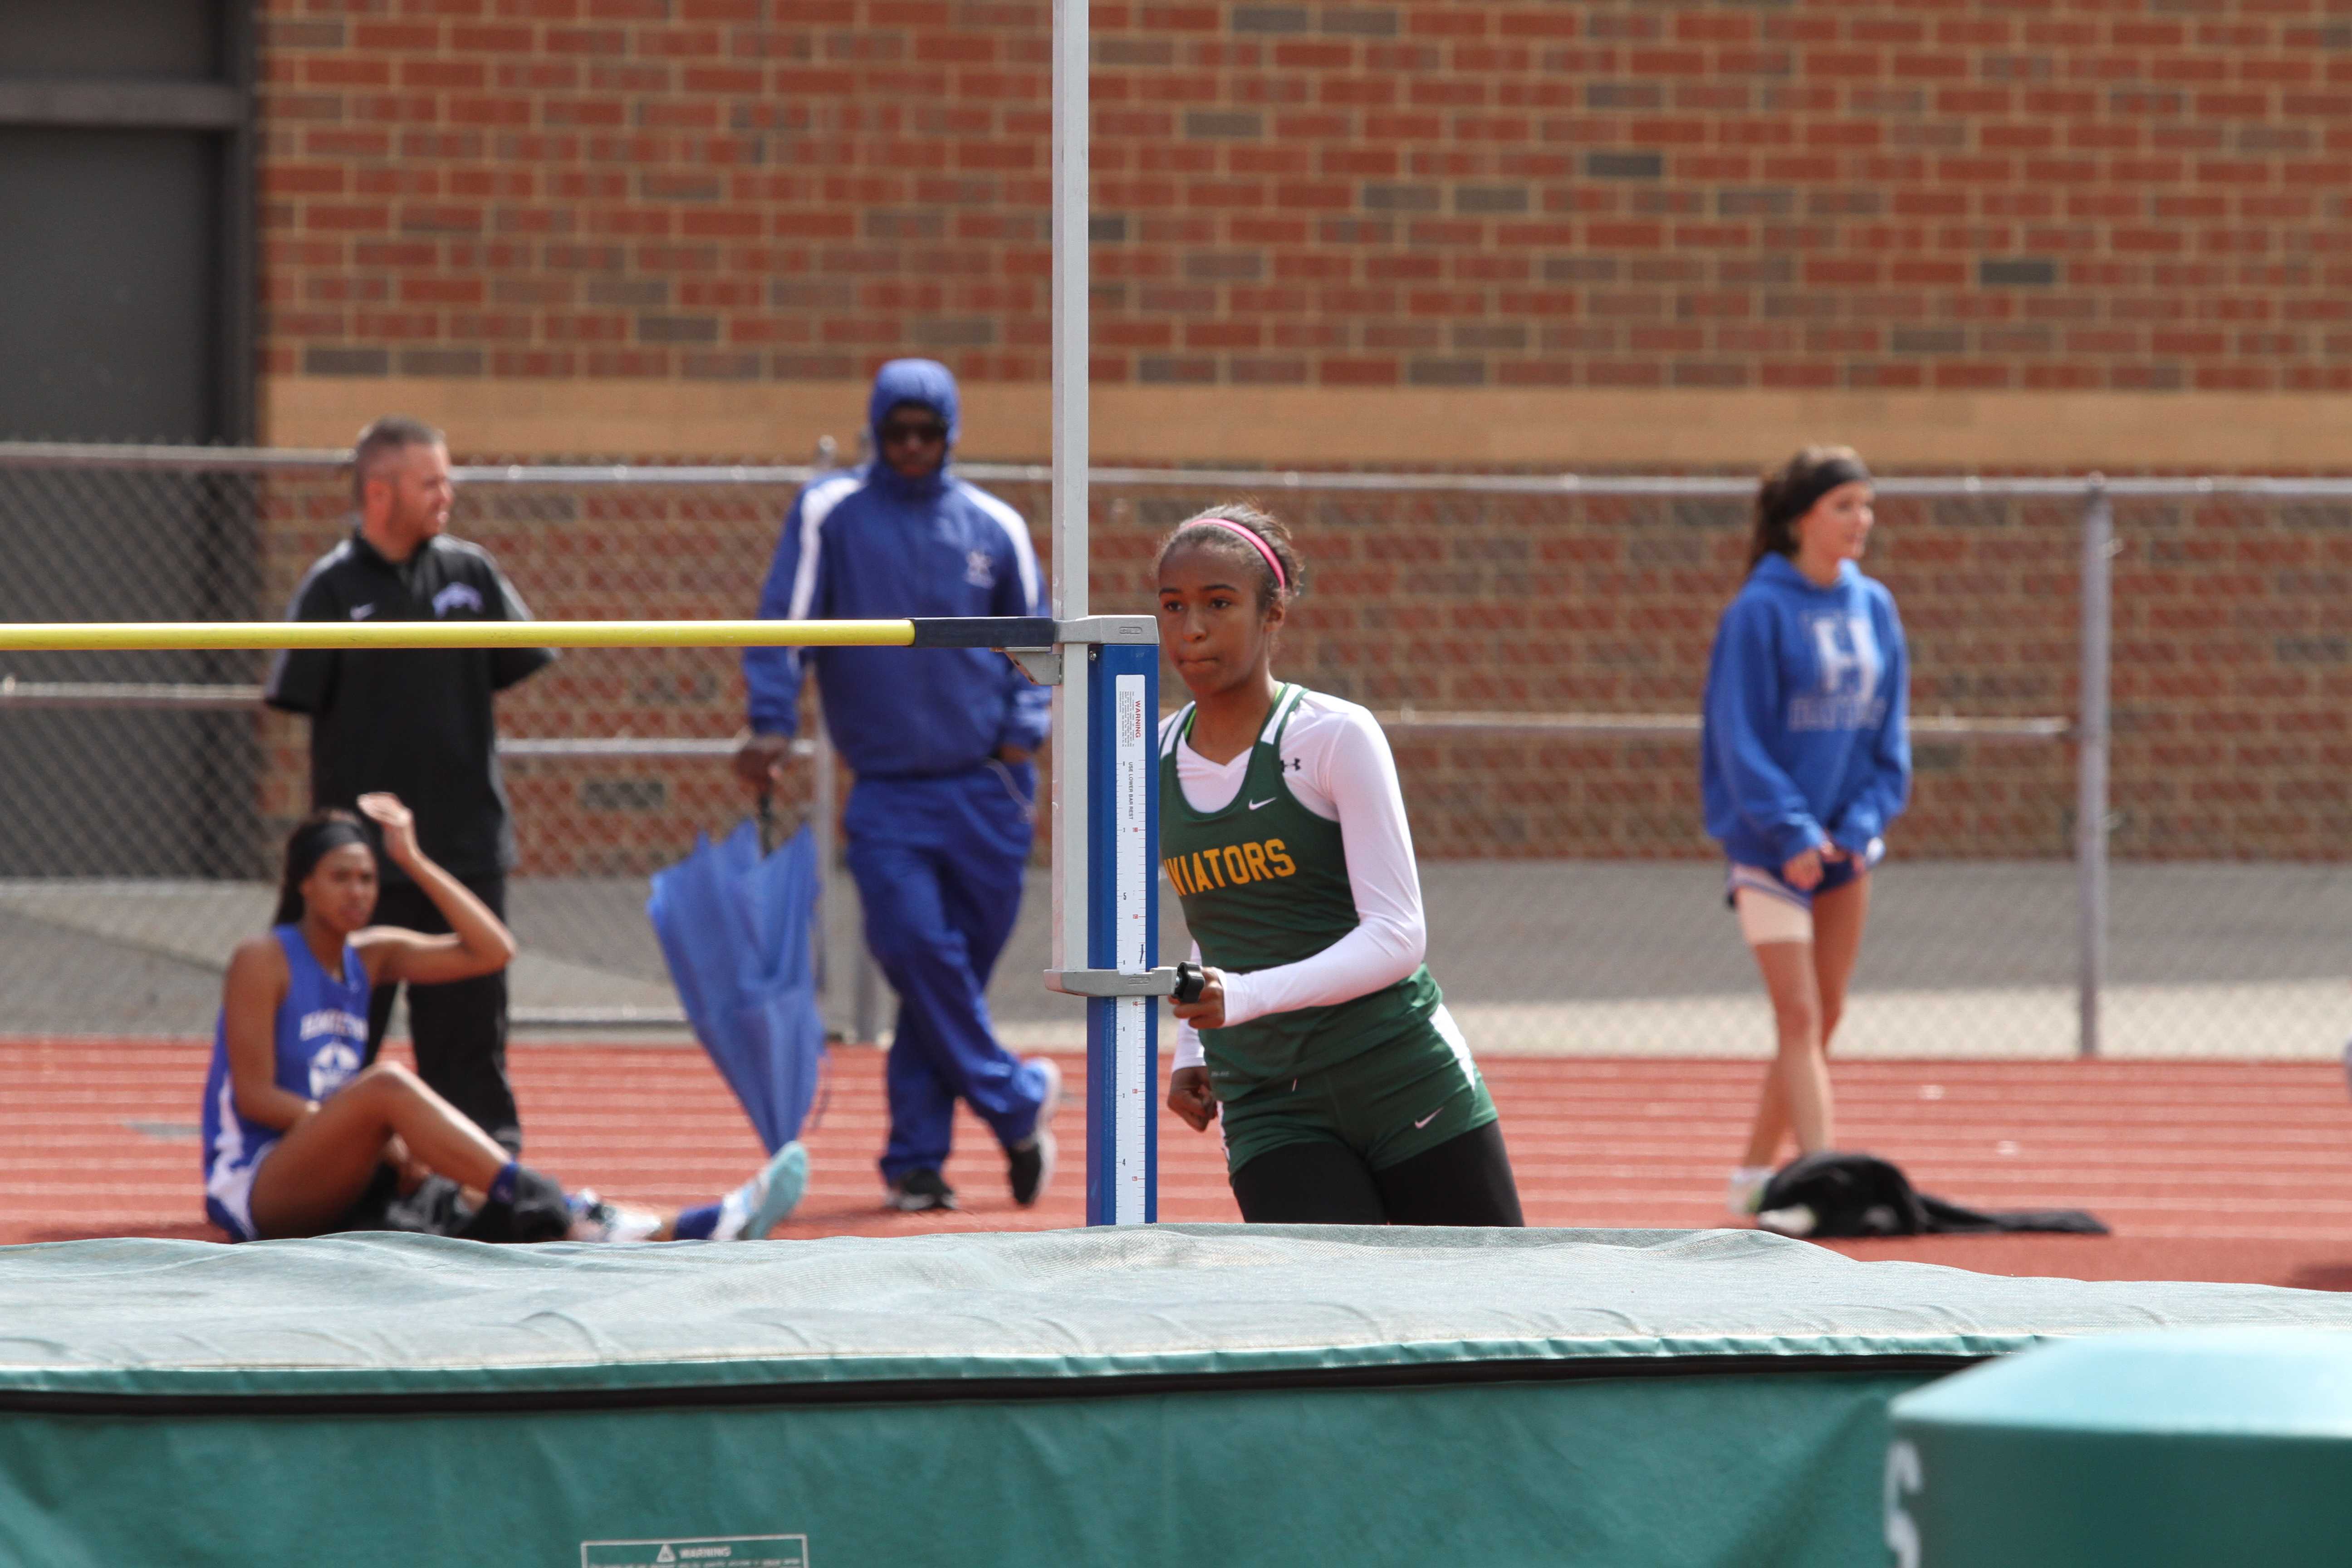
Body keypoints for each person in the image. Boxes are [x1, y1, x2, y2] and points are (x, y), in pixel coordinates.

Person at [735, 359, 1059, 1214]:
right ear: (877, 432)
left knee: (943, 984)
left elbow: (1039, 649)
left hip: (989, 791)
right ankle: (1015, 1101)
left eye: (930, 434)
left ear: (952, 434)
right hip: (886, 794)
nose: (913, 449)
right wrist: (771, 722)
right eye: (898, 433)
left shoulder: (996, 523)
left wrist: (1023, 743)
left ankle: (918, 1163)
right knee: (917, 951)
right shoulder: (830, 512)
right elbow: (782, 626)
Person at [202, 794, 808, 1245]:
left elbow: (492, 950)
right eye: (340, 878)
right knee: (387, 1088)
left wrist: (412, 860)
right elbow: (255, 1098)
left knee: (488, 1209)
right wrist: (373, 1137)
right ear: (304, 884)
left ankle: (695, 1227)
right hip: (259, 1187)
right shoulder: (265, 957)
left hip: (340, 1167)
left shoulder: (371, 956)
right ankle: (539, 1193)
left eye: (366, 878)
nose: (358, 891)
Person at [1156, 505, 1524, 1227]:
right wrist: (1190, 1044)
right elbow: (1226, 915)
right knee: (1334, 1321)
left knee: (1484, 1319)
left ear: (1274, 614)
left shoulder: (1333, 737)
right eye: (1173, 606)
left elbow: (1397, 934)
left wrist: (1245, 998)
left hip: (1403, 1077)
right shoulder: (1149, 755)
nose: (1191, 628)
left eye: (1219, 604)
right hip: (1265, 1101)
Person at [265, 416, 554, 1156]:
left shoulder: (470, 574)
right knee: (334, 1038)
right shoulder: (331, 588)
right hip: (358, 863)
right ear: (380, 492)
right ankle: (326, 1174)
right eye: (432, 482)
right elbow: (294, 695)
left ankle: (488, 1176)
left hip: (461, 848)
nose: (447, 495)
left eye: (448, 480)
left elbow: (518, 668)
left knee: (468, 1039)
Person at [1700, 446, 1911, 1224]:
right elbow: (1738, 736)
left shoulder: (1876, 607)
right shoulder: (1758, 611)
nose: (1863, 521)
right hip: (1770, 851)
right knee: (1798, 1017)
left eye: (1868, 505)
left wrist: (1857, 826)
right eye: (1845, 506)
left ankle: (1754, 1180)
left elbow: (1888, 740)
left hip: (1844, 851)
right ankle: (1827, 1185)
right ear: (1801, 520)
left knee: (1823, 1018)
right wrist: (1787, 828)